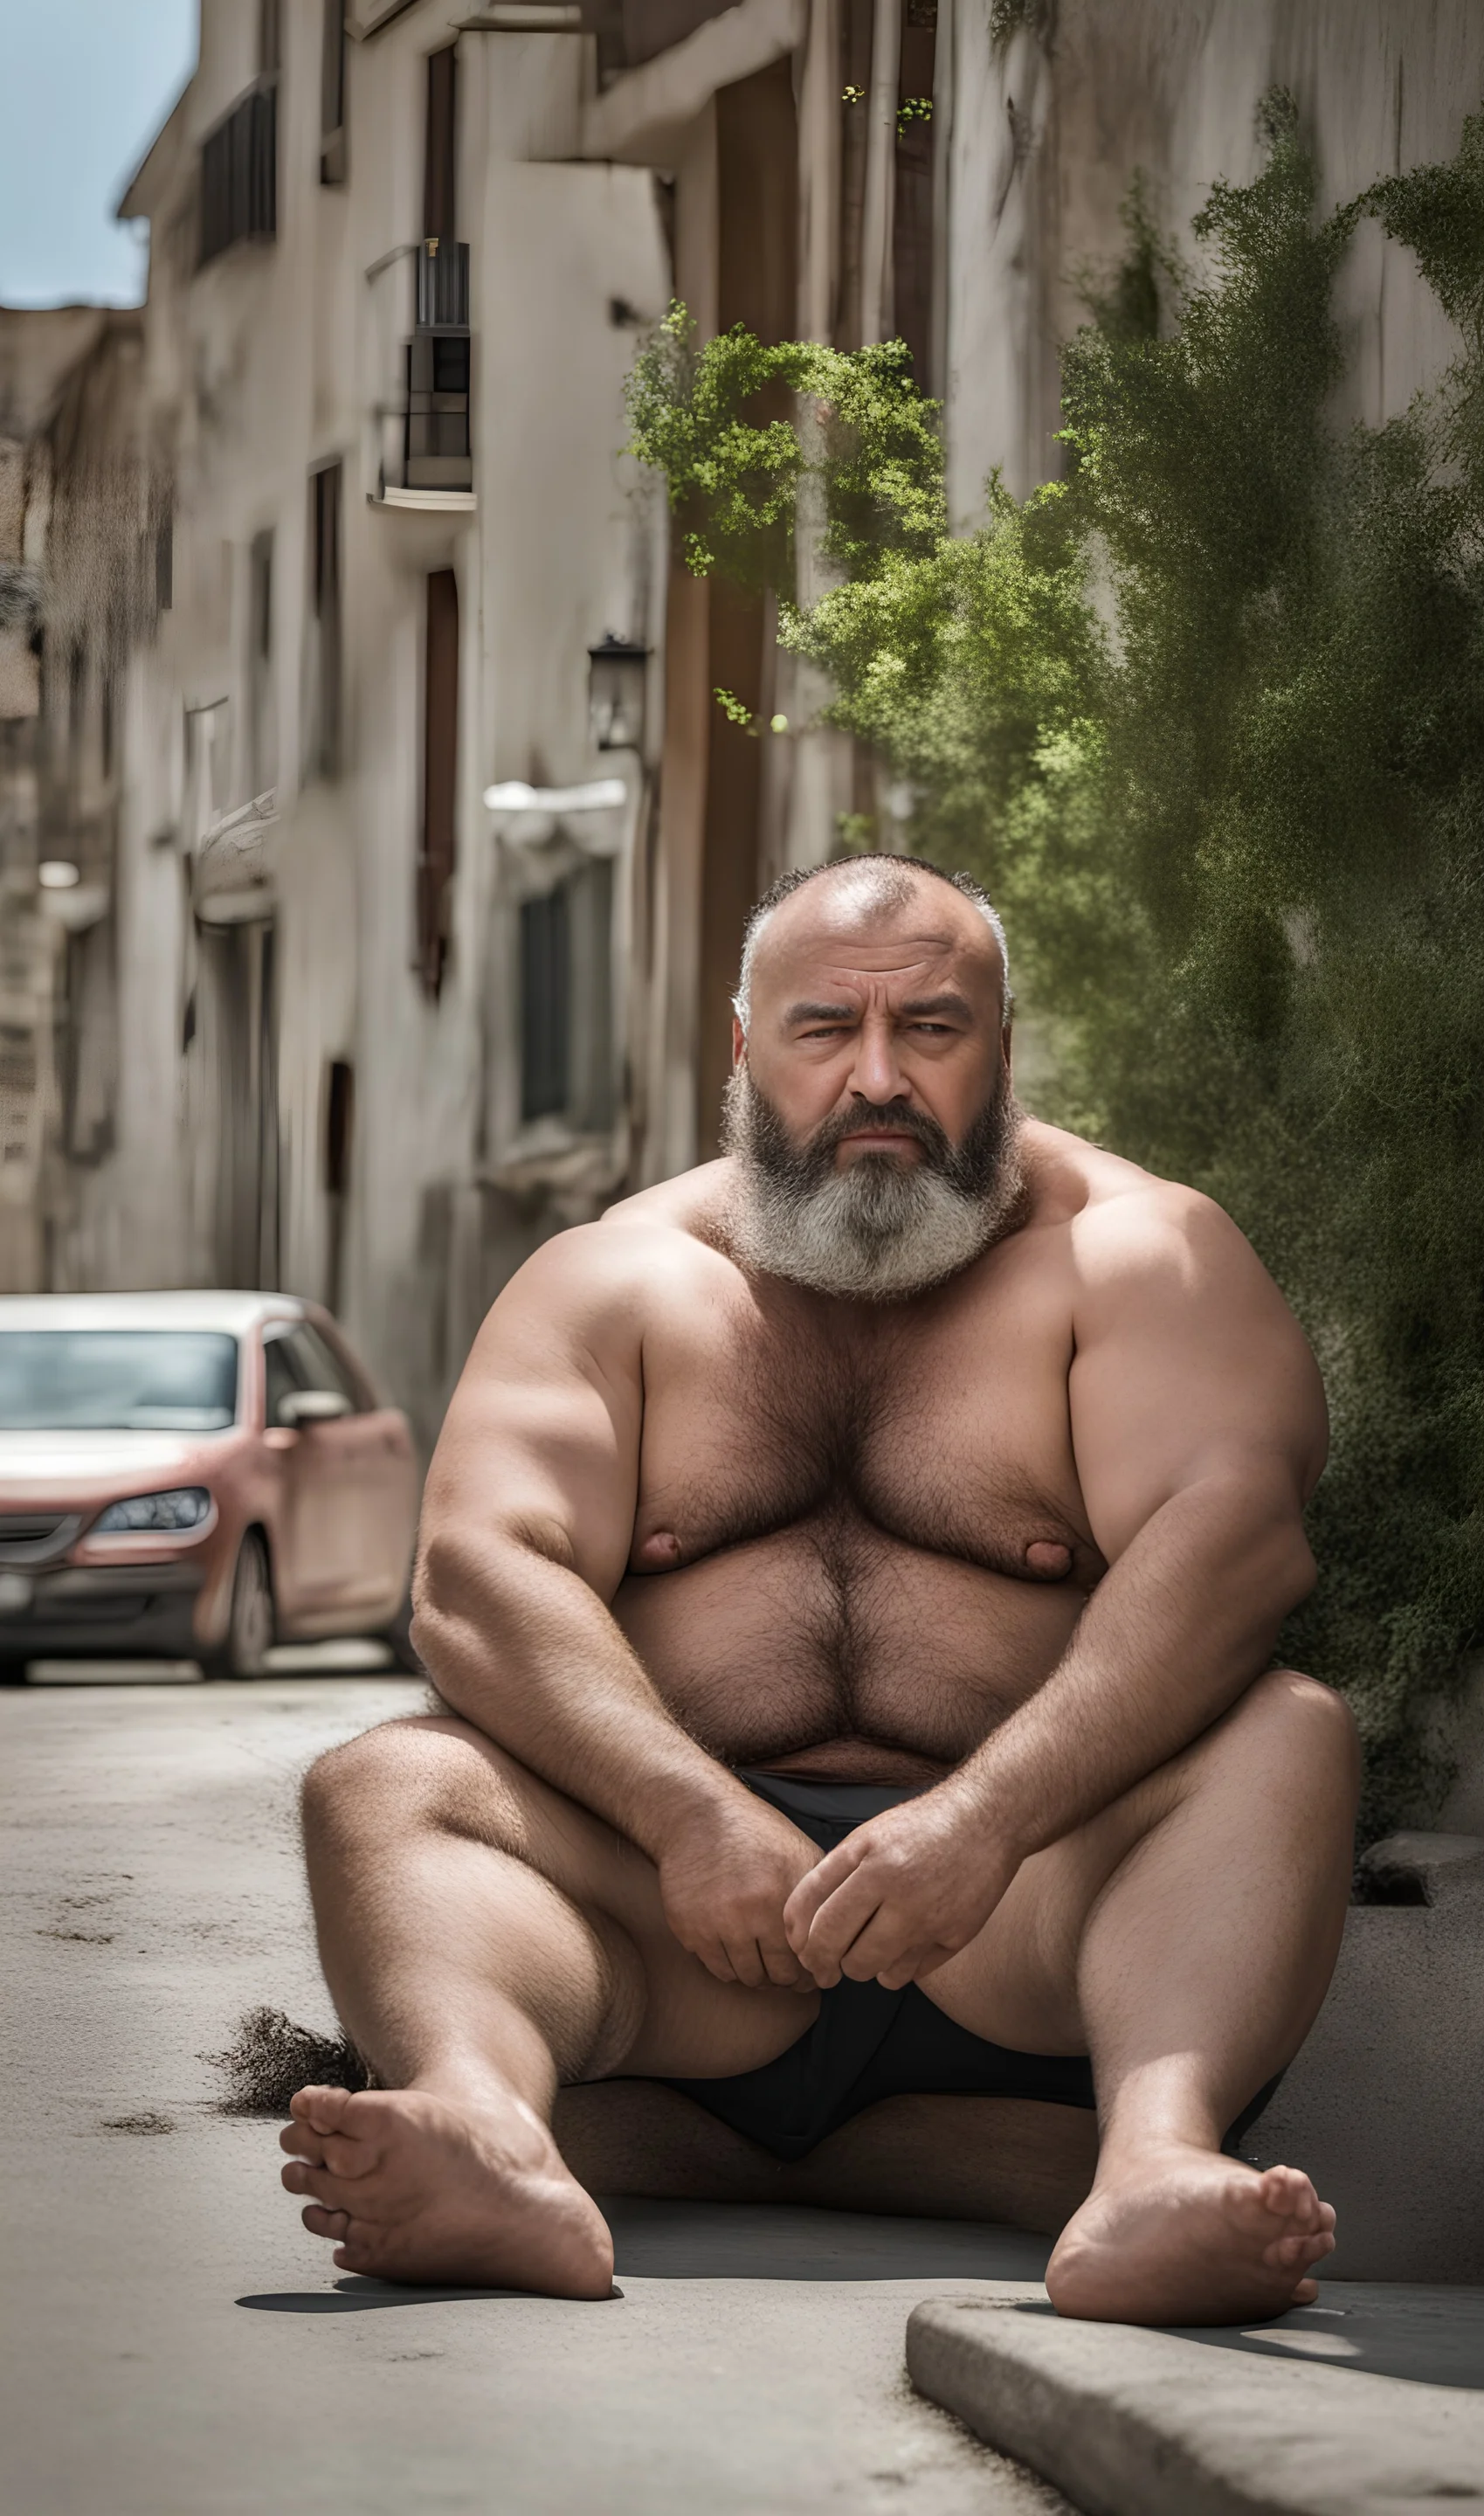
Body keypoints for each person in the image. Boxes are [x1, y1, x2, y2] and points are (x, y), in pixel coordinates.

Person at [280, 854, 1358, 2325]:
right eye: (820, 1031)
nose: (877, 1079)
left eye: (930, 1028)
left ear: (1001, 1045)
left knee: (1288, 1729)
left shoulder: (1136, 1254)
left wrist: (982, 1825)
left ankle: (1152, 2165)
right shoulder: (618, 1279)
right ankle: (489, 2127)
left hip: (1024, 1921)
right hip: (686, 1936)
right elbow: (480, 1577)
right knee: (383, 1783)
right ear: (742, 1049)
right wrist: (688, 1814)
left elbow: (1235, 1547)